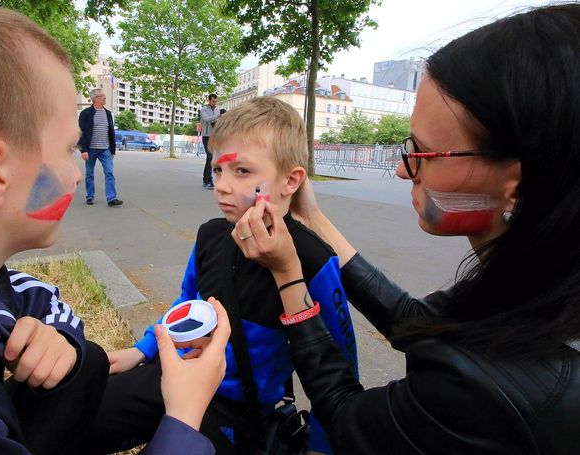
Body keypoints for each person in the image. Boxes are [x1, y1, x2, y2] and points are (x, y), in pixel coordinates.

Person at [231, 4, 580, 453]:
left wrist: (288, 277)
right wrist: (313, 219)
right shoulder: (536, 284)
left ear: (518, 186)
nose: (401, 169)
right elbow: (418, 323)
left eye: (424, 152)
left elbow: (347, 417)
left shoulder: (488, 388)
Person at [0, 1, 229, 454]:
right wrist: (183, 419)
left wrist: (59, 341)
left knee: (84, 362)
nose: (76, 173)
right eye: (68, 149)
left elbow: (31, 295)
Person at [86, 97, 359, 454]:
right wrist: (142, 350)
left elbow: (340, 363)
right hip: (176, 375)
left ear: (290, 180)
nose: (222, 185)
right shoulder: (210, 235)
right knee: (81, 411)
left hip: (237, 409)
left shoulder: (313, 259)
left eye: (241, 171)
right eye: (217, 170)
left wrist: (324, 446)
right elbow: (186, 301)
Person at [78, 89, 124, 207]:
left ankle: (111, 198)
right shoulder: (86, 113)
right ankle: (90, 196)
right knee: (89, 174)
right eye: (102, 96)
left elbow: (111, 132)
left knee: (109, 172)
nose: (105, 97)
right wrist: (83, 150)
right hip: (90, 149)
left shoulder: (108, 113)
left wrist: (112, 150)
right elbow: (80, 132)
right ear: (96, 99)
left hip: (105, 149)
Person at [199, 93, 221, 189]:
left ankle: (206, 179)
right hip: (206, 136)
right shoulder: (203, 110)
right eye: (213, 101)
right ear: (209, 100)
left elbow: (218, 120)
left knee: (211, 158)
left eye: (216, 101)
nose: (214, 103)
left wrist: (219, 119)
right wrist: (217, 116)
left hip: (214, 136)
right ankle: (209, 180)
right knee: (210, 156)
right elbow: (206, 119)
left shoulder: (217, 110)